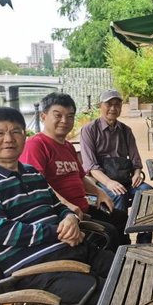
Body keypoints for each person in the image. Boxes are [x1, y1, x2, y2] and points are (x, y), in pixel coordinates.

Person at [0, 106, 114, 305]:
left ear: (24, 136)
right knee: (115, 295)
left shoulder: (31, 173)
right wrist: (58, 232)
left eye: (16, 131)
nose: (9, 139)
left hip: (74, 251)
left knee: (131, 270)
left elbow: (58, 206)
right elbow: (0, 231)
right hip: (35, 271)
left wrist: (70, 219)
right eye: (0, 133)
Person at [20, 92, 134, 249]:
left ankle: (126, 256)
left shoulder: (67, 146)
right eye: (58, 115)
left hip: (83, 208)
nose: (64, 121)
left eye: (70, 116)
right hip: (62, 216)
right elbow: (37, 187)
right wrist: (66, 206)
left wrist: (99, 192)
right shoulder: (36, 145)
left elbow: (81, 177)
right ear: (43, 117)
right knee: (110, 232)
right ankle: (111, 260)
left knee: (121, 218)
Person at [80, 89, 152, 213]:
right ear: (100, 105)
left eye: (117, 105)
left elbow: (136, 161)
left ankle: (143, 226)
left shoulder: (126, 130)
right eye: (109, 104)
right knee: (119, 195)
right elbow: (91, 167)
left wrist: (136, 174)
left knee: (147, 191)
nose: (113, 108)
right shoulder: (89, 130)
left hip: (125, 179)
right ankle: (121, 226)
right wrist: (109, 182)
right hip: (101, 181)